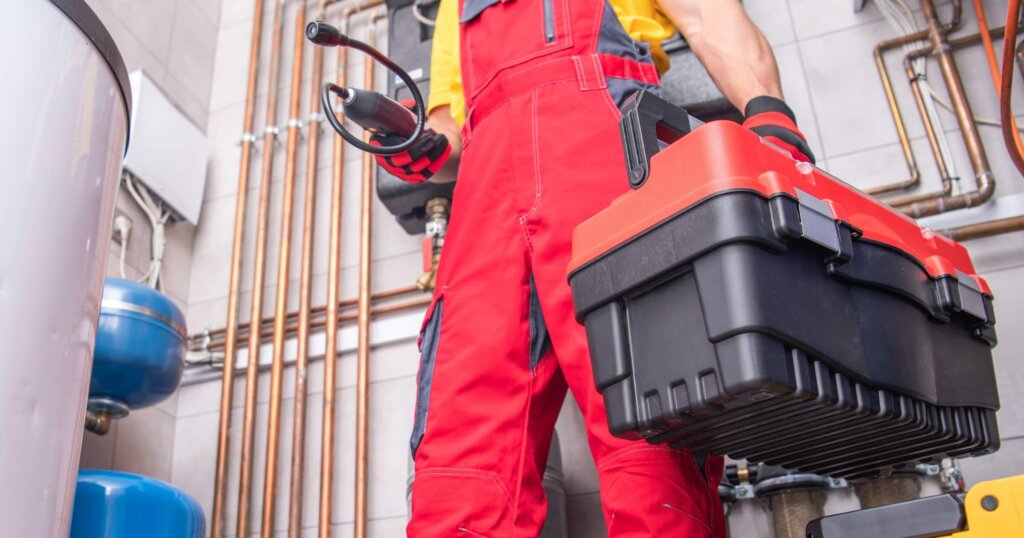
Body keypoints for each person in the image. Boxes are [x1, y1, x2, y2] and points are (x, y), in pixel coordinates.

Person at [374, 0, 815, 535]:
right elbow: (452, 133)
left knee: (650, 426)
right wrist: (417, 145)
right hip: (486, 189)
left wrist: (770, 117)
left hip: (604, 147)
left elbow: (706, 14)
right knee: (461, 444)